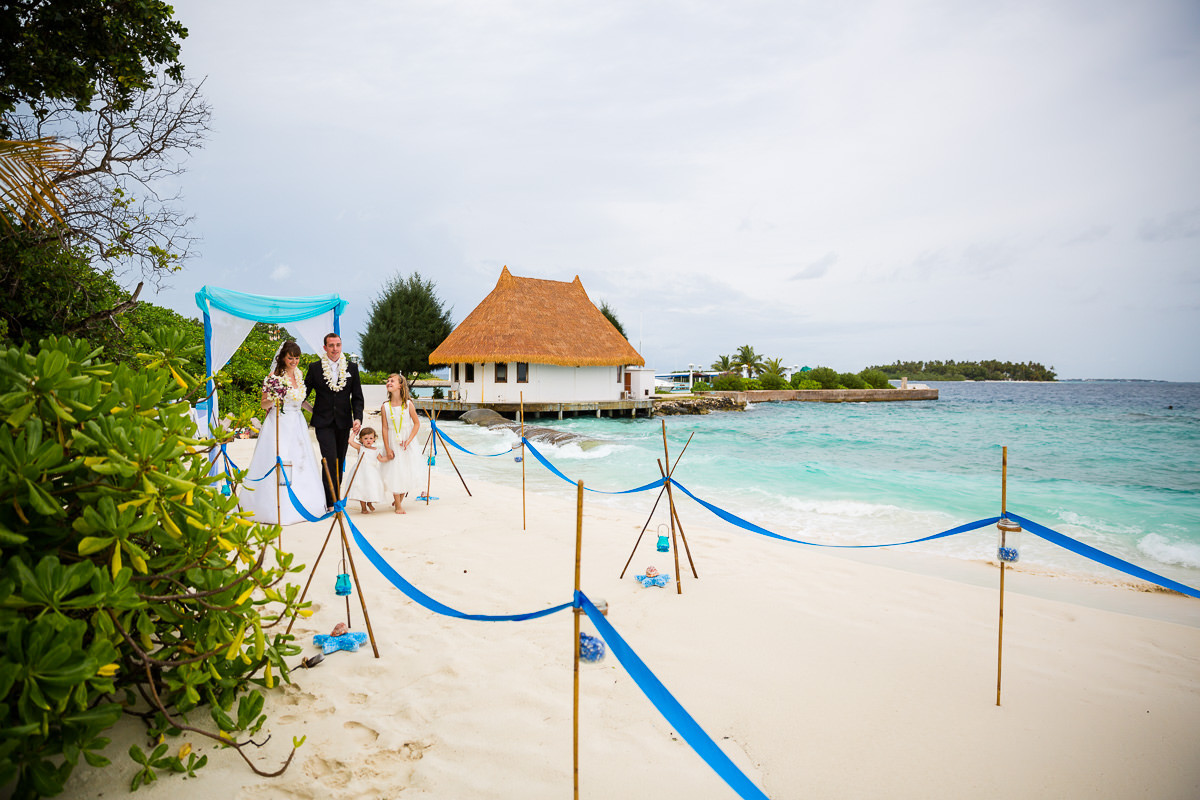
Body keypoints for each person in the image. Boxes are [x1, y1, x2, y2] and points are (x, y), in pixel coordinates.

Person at [240, 341, 326, 524]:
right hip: (279, 423)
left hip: (298, 424)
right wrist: (275, 397)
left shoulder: (299, 374)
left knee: (301, 461)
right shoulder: (273, 377)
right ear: (282, 358)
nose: (294, 361)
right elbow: (264, 404)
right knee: (280, 460)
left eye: (297, 358)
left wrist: (315, 411)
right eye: (290, 358)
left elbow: (300, 400)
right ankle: (276, 506)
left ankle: (306, 502)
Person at [304, 333, 364, 510]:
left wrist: (358, 418)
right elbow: (303, 393)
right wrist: (307, 408)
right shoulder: (315, 368)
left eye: (338, 345)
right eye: (331, 345)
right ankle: (330, 503)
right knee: (328, 459)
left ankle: (335, 496)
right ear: (325, 348)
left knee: (339, 459)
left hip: (344, 422)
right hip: (323, 423)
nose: (335, 349)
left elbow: (357, 397)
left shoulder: (352, 368)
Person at [379, 373, 422, 514]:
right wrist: (387, 447)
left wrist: (409, 440)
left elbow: (416, 424)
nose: (389, 382)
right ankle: (398, 504)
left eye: (393, 380)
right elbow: (384, 427)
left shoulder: (408, 404)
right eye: (388, 380)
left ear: (400, 385)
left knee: (407, 471)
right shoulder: (385, 406)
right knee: (394, 472)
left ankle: (399, 499)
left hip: (407, 442)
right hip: (392, 441)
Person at [344, 427, 388, 513]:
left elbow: (381, 459)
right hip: (361, 472)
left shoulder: (376, 450)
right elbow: (350, 442)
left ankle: (369, 503)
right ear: (361, 439)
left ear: (374, 439)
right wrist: (354, 433)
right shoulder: (361, 448)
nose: (368, 440)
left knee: (370, 487)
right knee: (362, 488)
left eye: (371, 438)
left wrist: (389, 457)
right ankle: (363, 508)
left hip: (372, 472)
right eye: (365, 438)